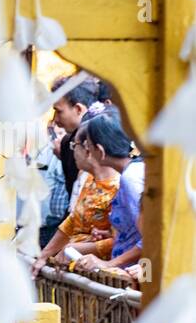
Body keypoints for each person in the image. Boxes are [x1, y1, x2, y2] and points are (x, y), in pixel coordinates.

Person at [29, 122, 120, 275]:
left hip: (103, 275)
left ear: (90, 150)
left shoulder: (118, 187)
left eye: (74, 146)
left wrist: (77, 249)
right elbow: (73, 221)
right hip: (76, 269)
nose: (72, 152)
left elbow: (126, 241)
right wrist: (44, 255)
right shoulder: (89, 179)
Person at [70, 112, 145, 275]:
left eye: (88, 146)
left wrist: (109, 263)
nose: (87, 152)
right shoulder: (134, 171)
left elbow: (151, 238)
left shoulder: (130, 179)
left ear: (100, 151)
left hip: (131, 276)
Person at [50, 75, 110, 219]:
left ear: (78, 109)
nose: (55, 119)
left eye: (59, 111)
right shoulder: (66, 143)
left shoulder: (103, 141)